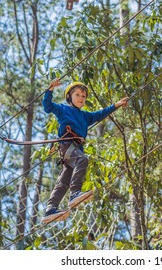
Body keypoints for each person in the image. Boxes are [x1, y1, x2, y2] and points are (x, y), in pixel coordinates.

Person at [41, 78, 128, 223]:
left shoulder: (85, 116)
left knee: (63, 182)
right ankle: (75, 193)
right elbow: (47, 106)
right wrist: (50, 90)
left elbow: (101, 113)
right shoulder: (63, 109)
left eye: (83, 96)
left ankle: (50, 209)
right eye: (78, 95)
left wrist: (116, 105)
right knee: (82, 160)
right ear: (69, 96)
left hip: (74, 149)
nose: (81, 98)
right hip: (67, 145)